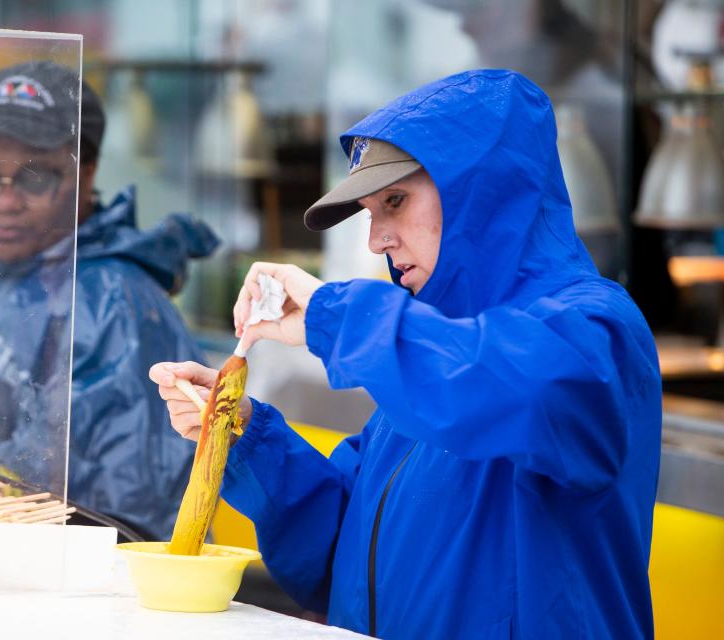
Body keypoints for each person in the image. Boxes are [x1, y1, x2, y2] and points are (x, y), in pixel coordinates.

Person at [151, 70, 661, 638]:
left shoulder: (596, 326)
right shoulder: (429, 348)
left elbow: (507, 392)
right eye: (371, 211)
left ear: (481, 191)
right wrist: (244, 435)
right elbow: (344, 551)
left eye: (395, 201)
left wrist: (336, 315)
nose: (376, 239)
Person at [0, 61, 218, 541]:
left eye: (33, 178)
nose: (4, 203)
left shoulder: (115, 305)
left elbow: (132, 516)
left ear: (86, 172)